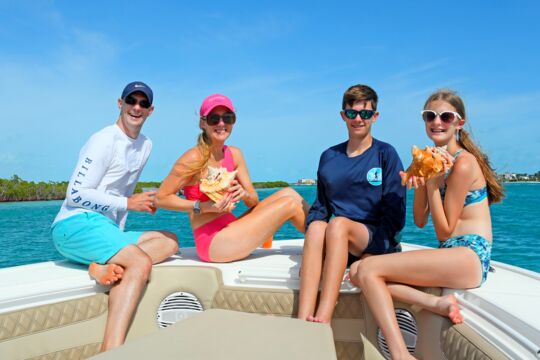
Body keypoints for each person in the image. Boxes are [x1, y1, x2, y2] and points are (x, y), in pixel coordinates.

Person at [348, 89, 504, 360]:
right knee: (358, 269)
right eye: (430, 116)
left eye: (446, 116)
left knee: (370, 269)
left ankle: (400, 355)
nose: (437, 122)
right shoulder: (434, 159)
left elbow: (444, 229)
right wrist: (420, 177)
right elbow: (420, 221)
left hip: (470, 254)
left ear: (459, 123)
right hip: (450, 252)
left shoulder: (463, 164)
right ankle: (436, 303)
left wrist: (431, 181)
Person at [51, 81, 179, 351]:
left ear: (151, 110)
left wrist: (127, 214)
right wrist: (127, 203)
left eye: (143, 103)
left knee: (170, 241)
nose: (136, 107)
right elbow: (75, 194)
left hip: (104, 228)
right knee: (139, 262)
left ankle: (98, 263)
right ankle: (111, 351)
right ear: (119, 103)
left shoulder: (145, 145)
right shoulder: (103, 139)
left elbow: (125, 193)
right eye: (131, 101)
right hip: (73, 224)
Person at [298, 84, 406, 323]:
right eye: (352, 113)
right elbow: (321, 207)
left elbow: (395, 213)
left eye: (365, 113)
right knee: (317, 226)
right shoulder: (329, 156)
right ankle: (303, 317)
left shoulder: (386, 154)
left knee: (339, 225)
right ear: (343, 116)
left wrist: (372, 252)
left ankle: (325, 314)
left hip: (374, 240)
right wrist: (313, 251)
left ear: (374, 116)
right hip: (340, 245)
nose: (358, 119)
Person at [155, 94, 308, 263]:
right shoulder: (193, 158)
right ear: (202, 123)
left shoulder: (235, 154)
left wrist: (243, 194)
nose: (221, 124)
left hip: (232, 228)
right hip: (213, 243)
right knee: (290, 205)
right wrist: (201, 206)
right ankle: (331, 249)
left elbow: (253, 201)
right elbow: (161, 198)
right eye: (214, 118)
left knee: (290, 193)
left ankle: (331, 240)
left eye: (227, 118)